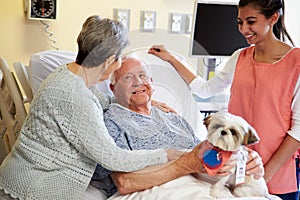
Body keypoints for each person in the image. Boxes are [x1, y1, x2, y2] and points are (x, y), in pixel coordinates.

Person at [0, 16, 188, 200]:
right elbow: (113, 158)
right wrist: (167, 154)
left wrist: (142, 100)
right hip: (32, 187)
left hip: (25, 174)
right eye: (119, 61)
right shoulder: (75, 96)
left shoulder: (72, 74)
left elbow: (102, 100)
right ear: (109, 61)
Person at [148, 0, 300, 199]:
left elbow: (298, 129)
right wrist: (172, 58)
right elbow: (205, 89)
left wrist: (264, 176)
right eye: (240, 22)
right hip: (235, 169)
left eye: (251, 22)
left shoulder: (295, 62)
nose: (244, 29)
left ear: (273, 18)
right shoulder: (239, 57)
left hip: (276, 172)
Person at [90, 54, 265, 198]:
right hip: (156, 189)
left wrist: (244, 159)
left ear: (151, 82)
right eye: (128, 77)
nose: (138, 82)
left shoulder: (173, 118)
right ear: (113, 88)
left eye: (143, 75)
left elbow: (204, 155)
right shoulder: (111, 121)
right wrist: (185, 165)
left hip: (207, 185)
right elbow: (125, 182)